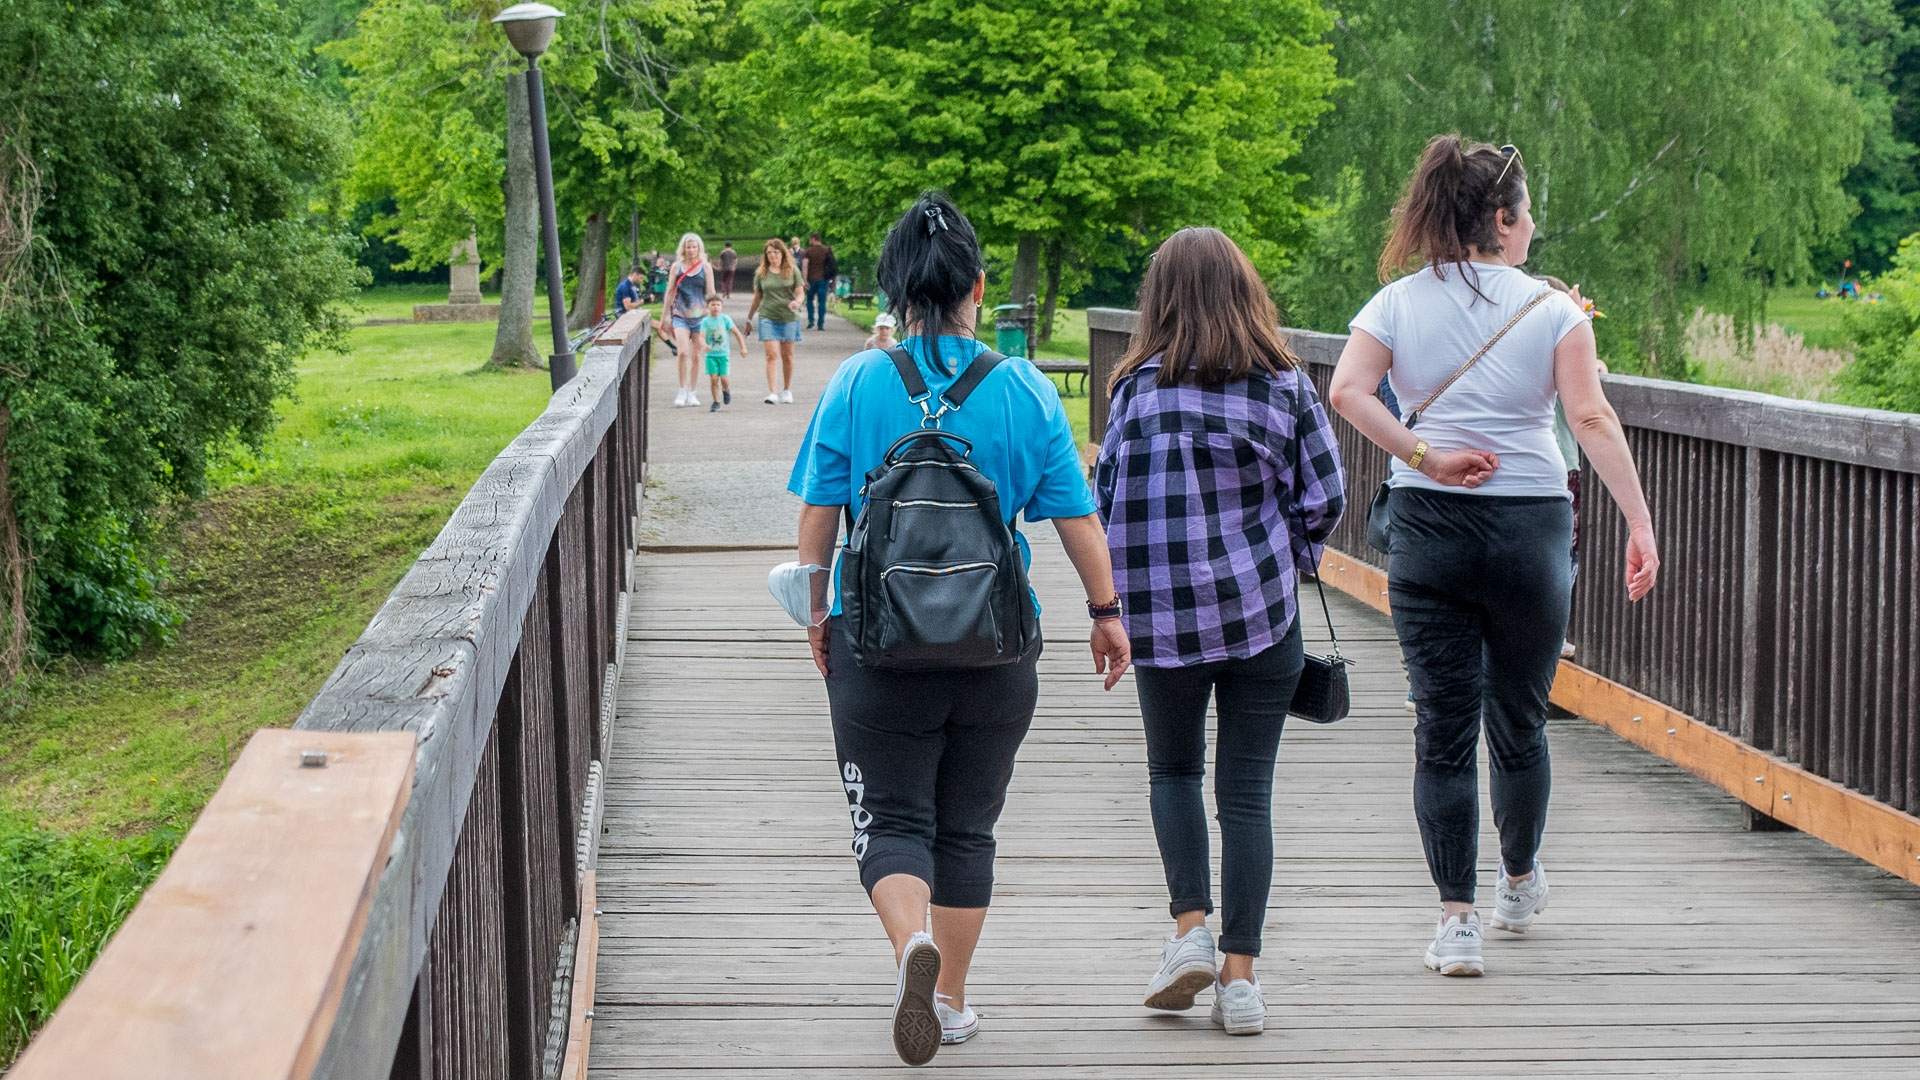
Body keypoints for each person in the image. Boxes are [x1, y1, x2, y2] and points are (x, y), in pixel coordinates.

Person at [789, 192, 1131, 1065]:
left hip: (878, 646)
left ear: (895, 293)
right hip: (997, 648)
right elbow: (1075, 519)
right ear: (978, 286)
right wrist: (1105, 613)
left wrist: (818, 609)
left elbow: (820, 513)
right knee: (968, 828)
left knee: (891, 819)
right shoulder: (1022, 389)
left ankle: (911, 950)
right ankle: (949, 1000)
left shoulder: (860, 382)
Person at [1327, 134, 1661, 978]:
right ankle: (1517, 880)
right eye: (1529, 214)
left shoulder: (1397, 303)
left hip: (1431, 528)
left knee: (1442, 731)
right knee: (1519, 719)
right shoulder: (1554, 312)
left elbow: (1346, 392)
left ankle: (1457, 922)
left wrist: (1422, 455)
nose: (1534, 226)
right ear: (1504, 221)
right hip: (1531, 530)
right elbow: (1590, 421)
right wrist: (1639, 521)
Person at [1093, 228, 1345, 1037]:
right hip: (1262, 618)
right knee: (1247, 795)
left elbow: (1109, 504)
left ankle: (1188, 932)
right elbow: (1327, 495)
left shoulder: (1133, 389)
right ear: (1245, 290)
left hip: (1160, 620)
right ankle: (1240, 981)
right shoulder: (1284, 386)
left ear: (1158, 299)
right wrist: (1285, 555)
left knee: (1172, 773)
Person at [657, 233, 718, 408]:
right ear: (683, 249)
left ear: (699, 248)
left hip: (700, 317)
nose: (691, 250)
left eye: (694, 247)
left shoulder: (705, 267)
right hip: (680, 315)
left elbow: (711, 291)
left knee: (696, 355)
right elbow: (669, 292)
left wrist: (713, 314)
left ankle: (692, 392)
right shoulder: (677, 267)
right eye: (688, 247)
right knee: (683, 352)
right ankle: (681, 389)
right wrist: (664, 317)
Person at [747, 237, 804, 403]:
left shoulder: (793, 270)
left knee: (787, 356)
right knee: (771, 355)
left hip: (788, 317)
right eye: (769, 252)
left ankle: (786, 389)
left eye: (776, 252)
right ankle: (772, 392)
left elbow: (800, 292)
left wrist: (798, 302)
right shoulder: (761, 273)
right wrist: (749, 319)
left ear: (782, 253)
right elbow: (757, 298)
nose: (772, 255)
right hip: (767, 317)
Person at [699, 295, 745, 413]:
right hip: (711, 356)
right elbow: (701, 337)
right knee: (714, 379)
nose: (715, 307)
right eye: (712, 305)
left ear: (722, 307)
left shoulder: (725, 319)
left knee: (724, 378)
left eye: (718, 305)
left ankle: (726, 389)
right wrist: (704, 345)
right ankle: (716, 402)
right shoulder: (705, 321)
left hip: (723, 355)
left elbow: (737, 333)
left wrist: (743, 348)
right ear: (708, 307)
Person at [804, 232, 835, 330]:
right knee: (822, 302)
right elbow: (832, 266)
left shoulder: (808, 251)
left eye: (810, 239)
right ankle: (820, 324)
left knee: (809, 301)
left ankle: (811, 321)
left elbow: (805, 266)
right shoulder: (827, 250)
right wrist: (834, 279)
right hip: (823, 280)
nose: (809, 241)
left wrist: (804, 280)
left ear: (813, 239)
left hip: (811, 280)